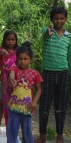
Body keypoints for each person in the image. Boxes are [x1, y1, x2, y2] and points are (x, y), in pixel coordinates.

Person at [35, 7, 71, 143]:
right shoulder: (47, 32)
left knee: (61, 107)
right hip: (48, 74)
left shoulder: (69, 37)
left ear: (65, 19)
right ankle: (43, 135)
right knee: (44, 107)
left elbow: (69, 57)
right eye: (56, 18)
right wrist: (48, 31)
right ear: (52, 20)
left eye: (61, 18)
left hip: (63, 74)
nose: (59, 21)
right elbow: (46, 33)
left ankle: (60, 135)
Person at [7, 42, 42, 143]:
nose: (22, 61)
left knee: (27, 133)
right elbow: (11, 73)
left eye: (25, 59)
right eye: (20, 59)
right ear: (17, 59)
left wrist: (35, 101)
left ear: (30, 60)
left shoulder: (35, 74)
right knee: (11, 132)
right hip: (14, 108)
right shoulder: (15, 69)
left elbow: (39, 88)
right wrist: (11, 78)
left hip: (27, 109)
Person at [0, 30, 18, 137]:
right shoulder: (2, 50)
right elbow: (0, 53)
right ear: (4, 40)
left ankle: (11, 128)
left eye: (13, 39)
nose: (10, 42)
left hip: (15, 82)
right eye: (8, 39)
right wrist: (3, 52)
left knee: (14, 105)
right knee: (2, 105)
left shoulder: (18, 52)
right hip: (4, 82)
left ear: (16, 40)